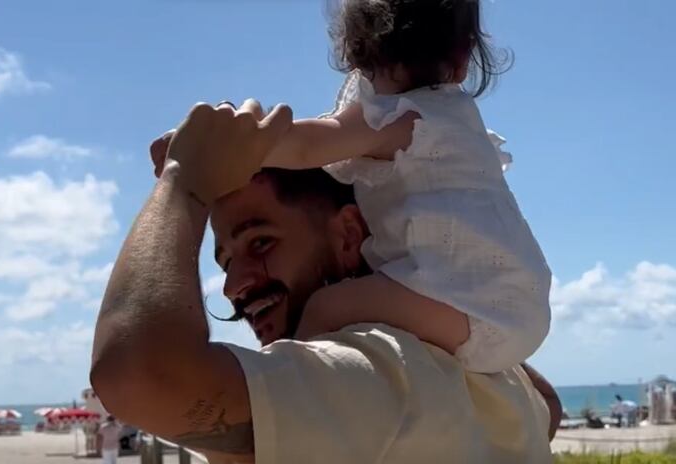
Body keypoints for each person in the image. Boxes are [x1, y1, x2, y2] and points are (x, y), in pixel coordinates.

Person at [91, 99, 560, 463]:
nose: (234, 285)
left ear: (349, 235)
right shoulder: (498, 375)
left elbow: (138, 375)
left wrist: (184, 182)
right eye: (225, 261)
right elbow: (549, 405)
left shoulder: (376, 375)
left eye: (261, 243)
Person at [246, 0, 551, 374]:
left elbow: (306, 146)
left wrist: (230, 142)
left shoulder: (397, 118)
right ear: (464, 55)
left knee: (325, 308)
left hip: (474, 309)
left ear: (357, 52)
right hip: (521, 305)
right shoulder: (456, 119)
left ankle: (296, 392)